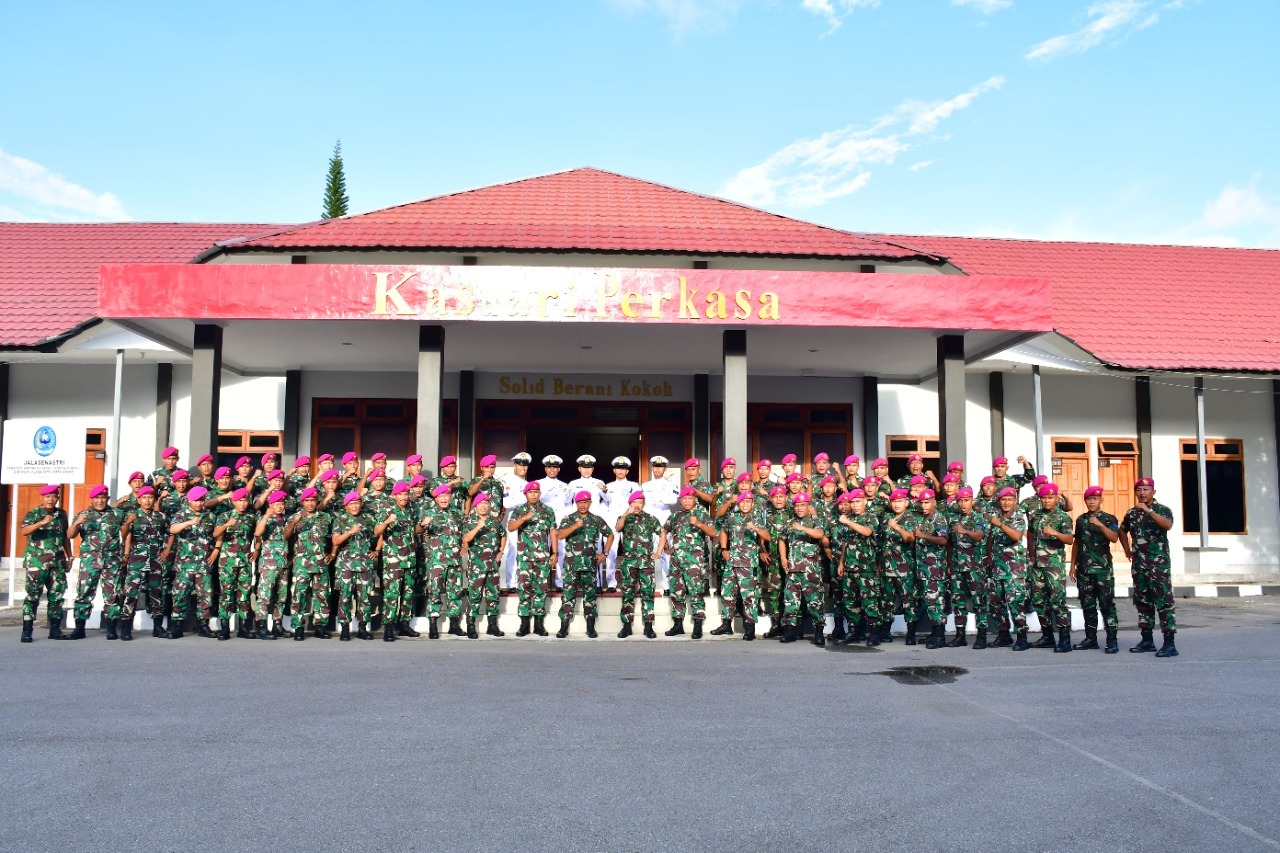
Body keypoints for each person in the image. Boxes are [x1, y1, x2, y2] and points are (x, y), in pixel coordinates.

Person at [1120, 477, 1177, 657]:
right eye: (1139, 490)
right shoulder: (1132, 513)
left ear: (1153, 491)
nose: (1142, 493)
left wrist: (1149, 512)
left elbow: (1167, 525)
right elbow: (1122, 530)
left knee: (1164, 602)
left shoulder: (1162, 510)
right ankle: (1147, 640)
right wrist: (1127, 550)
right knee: (1143, 602)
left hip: (1158, 566)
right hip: (1140, 565)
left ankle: (1169, 643)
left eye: (1146, 489)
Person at [65, 485, 123, 640]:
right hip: (90, 562)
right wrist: (77, 522)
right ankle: (79, 628)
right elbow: (70, 535)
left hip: (111, 562)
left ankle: (111, 628)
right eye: (97, 498)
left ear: (107, 499)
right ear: (91, 499)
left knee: (112, 595)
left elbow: (126, 532)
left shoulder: (117, 514)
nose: (100, 501)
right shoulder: (83, 515)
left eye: (103, 498)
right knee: (84, 594)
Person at [661, 486, 716, 638]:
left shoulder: (701, 514)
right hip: (677, 561)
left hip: (695, 562)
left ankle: (697, 625)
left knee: (696, 592)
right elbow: (664, 531)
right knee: (676, 592)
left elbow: (713, 532)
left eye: (690, 498)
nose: (687, 501)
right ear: (681, 500)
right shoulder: (676, 515)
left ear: (694, 499)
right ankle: (678, 624)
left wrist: (699, 524)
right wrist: (666, 547)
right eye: (684, 498)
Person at [713, 491, 769, 640]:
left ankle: (749, 628)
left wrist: (756, 529)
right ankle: (726, 625)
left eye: (748, 502)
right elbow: (723, 531)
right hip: (732, 562)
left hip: (748, 564)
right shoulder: (732, 517)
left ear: (752, 504)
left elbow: (767, 536)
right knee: (727, 593)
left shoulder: (757, 518)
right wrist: (724, 548)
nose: (745, 504)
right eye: (743, 502)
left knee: (748, 596)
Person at [555, 491, 612, 638]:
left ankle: (591, 627)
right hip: (571, 565)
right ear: (576, 503)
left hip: (589, 565)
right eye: (580, 502)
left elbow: (610, 534)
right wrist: (574, 526)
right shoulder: (569, 519)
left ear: (590, 503)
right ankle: (564, 626)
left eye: (586, 502)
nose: (583, 505)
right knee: (568, 595)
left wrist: (604, 553)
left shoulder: (596, 519)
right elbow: (559, 535)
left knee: (590, 596)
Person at [1071, 485, 1120, 653]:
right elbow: (1077, 542)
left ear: (1101, 500)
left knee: (1107, 605)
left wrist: (1100, 525)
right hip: (1084, 570)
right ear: (1085, 501)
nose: (1092, 502)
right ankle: (1091, 638)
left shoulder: (1109, 519)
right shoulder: (1080, 520)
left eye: (1095, 499)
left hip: (1102, 571)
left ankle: (1112, 640)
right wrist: (1072, 565)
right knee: (1088, 605)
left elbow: (1114, 538)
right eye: (1089, 499)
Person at [116, 486, 168, 641]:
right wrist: (128, 523)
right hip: (136, 562)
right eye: (144, 498)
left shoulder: (160, 517)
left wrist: (166, 550)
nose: (147, 500)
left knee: (156, 594)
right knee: (131, 594)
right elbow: (123, 535)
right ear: (139, 500)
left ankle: (157, 627)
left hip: (155, 562)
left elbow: (170, 533)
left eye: (150, 497)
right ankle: (126, 627)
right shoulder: (132, 515)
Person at [19, 485, 70, 643]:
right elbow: (24, 531)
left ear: (58, 498)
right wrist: (41, 522)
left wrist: (70, 556)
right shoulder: (34, 513)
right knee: (33, 596)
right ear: (42, 498)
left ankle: (54, 629)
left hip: (57, 562)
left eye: (54, 496)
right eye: (47, 496)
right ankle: (27, 630)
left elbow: (65, 537)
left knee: (57, 596)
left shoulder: (61, 514)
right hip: (37, 563)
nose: (51, 499)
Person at [1028, 483, 1075, 652]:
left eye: (1050, 497)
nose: (1047, 500)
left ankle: (1064, 639)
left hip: (1053, 566)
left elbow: (1069, 539)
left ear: (1056, 498)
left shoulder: (1062, 517)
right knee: (1039, 601)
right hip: (1038, 565)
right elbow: (1031, 532)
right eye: (1043, 498)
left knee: (1057, 601)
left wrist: (1056, 533)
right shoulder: (1037, 515)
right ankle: (1047, 635)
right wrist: (1031, 555)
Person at [167, 485, 217, 639]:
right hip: (185, 564)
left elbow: (217, 533)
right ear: (189, 500)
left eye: (201, 500)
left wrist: (216, 549)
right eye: (196, 500)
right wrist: (189, 523)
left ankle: (204, 626)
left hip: (203, 563)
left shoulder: (210, 516)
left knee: (205, 595)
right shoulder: (181, 514)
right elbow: (173, 530)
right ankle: (177, 626)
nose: (199, 503)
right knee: (180, 595)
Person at [835, 489, 883, 647]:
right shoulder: (849, 519)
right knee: (850, 602)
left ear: (864, 502)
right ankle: (854, 632)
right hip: (850, 567)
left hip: (865, 568)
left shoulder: (870, 517)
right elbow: (845, 543)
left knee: (869, 601)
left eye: (857, 502)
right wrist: (841, 562)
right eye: (852, 502)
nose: (855, 505)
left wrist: (848, 522)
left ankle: (875, 633)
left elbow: (867, 532)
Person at [508, 481, 557, 637]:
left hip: (542, 557)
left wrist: (554, 553)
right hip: (525, 557)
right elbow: (511, 527)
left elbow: (553, 532)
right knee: (524, 590)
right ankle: (524, 624)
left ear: (540, 494)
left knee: (540, 590)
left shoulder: (547, 510)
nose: (534, 494)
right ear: (526, 493)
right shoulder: (519, 510)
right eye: (531, 492)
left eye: (536, 492)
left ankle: (538, 624)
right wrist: (525, 518)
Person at [418, 483, 466, 639]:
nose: (444, 499)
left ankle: (454, 624)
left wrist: (464, 545)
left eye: (447, 496)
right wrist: (422, 524)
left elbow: (463, 533)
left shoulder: (457, 513)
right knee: (435, 592)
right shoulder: (429, 513)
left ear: (450, 497)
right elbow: (418, 530)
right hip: (437, 560)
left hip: (454, 560)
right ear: (436, 498)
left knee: (455, 593)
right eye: (441, 496)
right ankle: (433, 624)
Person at [286, 487, 334, 640]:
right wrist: (293, 524)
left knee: (322, 595)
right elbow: (286, 536)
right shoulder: (296, 517)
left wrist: (332, 553)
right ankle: (298, 627)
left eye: (312, 500)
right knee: (299, 595)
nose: (310, 504)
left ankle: (320, 626)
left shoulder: (326, 517)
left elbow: (334, 536)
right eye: (307, 501)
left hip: (320, 563)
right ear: (302, 503)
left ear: (316, 501)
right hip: (302, 563)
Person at [779, 493, 827, 646]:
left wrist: (802, 528)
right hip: (793, 569)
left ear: (808, 506)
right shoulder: (789, 522)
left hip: (810, 570)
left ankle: (819, 632)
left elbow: (820, 534)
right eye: (797, 506)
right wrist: (783, 558)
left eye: (803, 505)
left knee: (815, 602)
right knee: (790, 601)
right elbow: (781, 539)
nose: (800, 508)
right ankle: (789, 631)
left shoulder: (814, 521)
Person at [988, 487, 1032, 651]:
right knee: (996, 604)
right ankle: (1004, 635)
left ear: (1014, 501)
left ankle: (1022, 637)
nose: (1006, 503)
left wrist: (1000, 524)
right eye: (1003, 499)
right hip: (997, 569)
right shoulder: (995, 517)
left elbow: (1016, 536)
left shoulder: (1017, 517)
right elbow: (989, 541)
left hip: (1014, 569)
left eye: (1009, 499)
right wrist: (989, 559)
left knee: (1016, 604)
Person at [614, 490, 662, 638]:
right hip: (629, 562)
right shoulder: (624, 518)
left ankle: (648, 627)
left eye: (639, 502)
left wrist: (659, 551)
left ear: (644, 504)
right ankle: (626, 626)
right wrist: (626, 513)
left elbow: (663, 533)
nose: (637, 505)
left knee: (647, 594)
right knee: (627, 594)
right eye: (634, 503)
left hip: (646, 562)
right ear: (629, 504)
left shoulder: (650, 519)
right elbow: (617, 528)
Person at [375, 481, 419, 641]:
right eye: (400, 494)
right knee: (392, 594)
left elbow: (415, 530)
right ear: (395, 495)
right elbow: (377, 530)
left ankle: (404, 625)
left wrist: (422, 525)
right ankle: (388, 626)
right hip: (393, 561)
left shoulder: (411, 510)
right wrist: (387, 521)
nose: (403, 497)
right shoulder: (387, 510)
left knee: (408, 594)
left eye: (406, 494)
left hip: (410, 559)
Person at [947, 486, 989, 649]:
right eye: (960, 501)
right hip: (957, 567)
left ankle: (982, 636)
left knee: (979, 601)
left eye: (966, 500)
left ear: (972, 501)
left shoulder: (978, 517)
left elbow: (979, 535)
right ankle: (960, 635)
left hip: (974, 567)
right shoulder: (953, 519)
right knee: (958, 602)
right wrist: (949, 563)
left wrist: (964, 531)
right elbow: (950, 542)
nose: (963, 504)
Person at [212, 488, 257, 640]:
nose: (243, 504)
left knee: (244, 595)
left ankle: (243, 627)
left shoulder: (251, 517)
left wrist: (256, 550)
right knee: (226, 595)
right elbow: (215, 534)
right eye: (239, 501)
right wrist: (227, 525)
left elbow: (257, 536)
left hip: (244, 562)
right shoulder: (224, 516)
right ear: (233, 502)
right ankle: (225, 628)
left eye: (245, 500)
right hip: (227, 563)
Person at [332, 491, 377, 641]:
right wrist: (350, 532)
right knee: (345, 596)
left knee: (364, 597)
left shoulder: (368, 519)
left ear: (361, 504)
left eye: (357, 503)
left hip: (365, 564)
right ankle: (345, 628)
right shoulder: (340, 519)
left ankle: (363, 628)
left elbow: (379, 533)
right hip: (346, 565)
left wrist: (377, 550)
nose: (354, 506)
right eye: (351, 503)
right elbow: (335, 541)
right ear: (346, 506)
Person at [462, 493, 506, 636]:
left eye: (486, 503)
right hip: (477, 566)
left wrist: (501, 550)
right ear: (475, 506)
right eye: (480, 504)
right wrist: (477, 527)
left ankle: (492, 626)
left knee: (493, 595)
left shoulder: (495, 521)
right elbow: (466, 539)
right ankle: (471, 626)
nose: (483, 506)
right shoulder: (470, 521)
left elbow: (503, 534)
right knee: (474, 596)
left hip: (492, 565)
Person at [913, 489, 952, 649]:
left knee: (936, 601)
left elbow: (944, 540)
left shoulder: (939, 519)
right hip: (924, 568)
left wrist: (924, 536)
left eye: (927, 502)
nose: (924, 505)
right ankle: (935, 632)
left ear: (934, 502)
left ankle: (940, 636)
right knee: (930, 602)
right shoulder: (922, 519)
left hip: (935, 569)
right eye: (921, 502)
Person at [251, 491, 289, 640]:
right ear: (271, 505)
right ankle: (261, 626)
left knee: (281, 596)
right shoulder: (265, 519)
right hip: (269, 564)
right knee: (265, 596)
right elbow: (258, 533)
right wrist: (267, 515)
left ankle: (277, 624)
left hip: (283, 564)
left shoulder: (285, 519)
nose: (279, 506)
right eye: (276, 504)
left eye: (282, 504)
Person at [879, 489, 915, 644]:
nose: (897, 504)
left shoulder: (910, 519)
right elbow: (883, 545)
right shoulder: (887, 519)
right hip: (887, 568)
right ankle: (886, 632)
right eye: (894, 501)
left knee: (909, 601)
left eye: (900, 501)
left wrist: (897, 528)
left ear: (906, 502)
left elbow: (909, 538)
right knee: (886, 601)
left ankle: (911, 633)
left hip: (904, 569)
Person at [641, 456, 680, 586]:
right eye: (655, 467)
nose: (657, 470)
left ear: (664, 468)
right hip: (648, 522)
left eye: (660, 467)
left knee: (665, 553)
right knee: (646, 552)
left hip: (664, 521)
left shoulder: (671, 485)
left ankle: (667, 585)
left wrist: (660, 497)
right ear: (652, 468)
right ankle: (646, 583)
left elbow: (674, 500)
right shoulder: (645, 485)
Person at [499, 452, 533, 589]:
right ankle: (511, 583)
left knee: (527, 550)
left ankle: (523, 581)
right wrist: (524, 501)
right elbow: (506, 503)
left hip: (528, 520)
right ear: (515, 465)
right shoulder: (509, 481)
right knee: (513, 550)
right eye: (520, 464)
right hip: (514, 518)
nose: (522, 467)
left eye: (525, 465)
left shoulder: (528, 484)